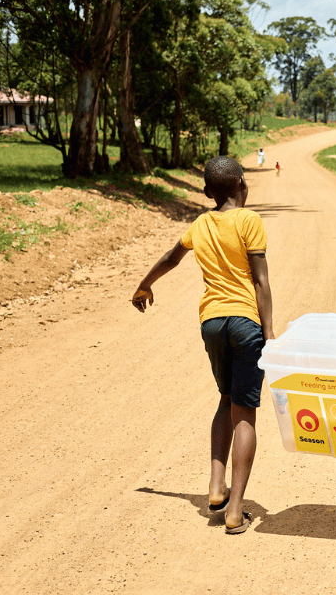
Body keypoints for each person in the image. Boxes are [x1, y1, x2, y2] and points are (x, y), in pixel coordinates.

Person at [131, 156, 274, 535]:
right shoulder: (249, 220)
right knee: (244, 411)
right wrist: (270, 332)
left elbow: (170, 258)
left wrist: (145, 284)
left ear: (209, 192)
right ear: (243, 184)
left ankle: (215, 487)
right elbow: (260, 281)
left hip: (212, 322)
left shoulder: (200, 224)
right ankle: (235, 510)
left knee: (225, 399)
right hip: (245, 324)